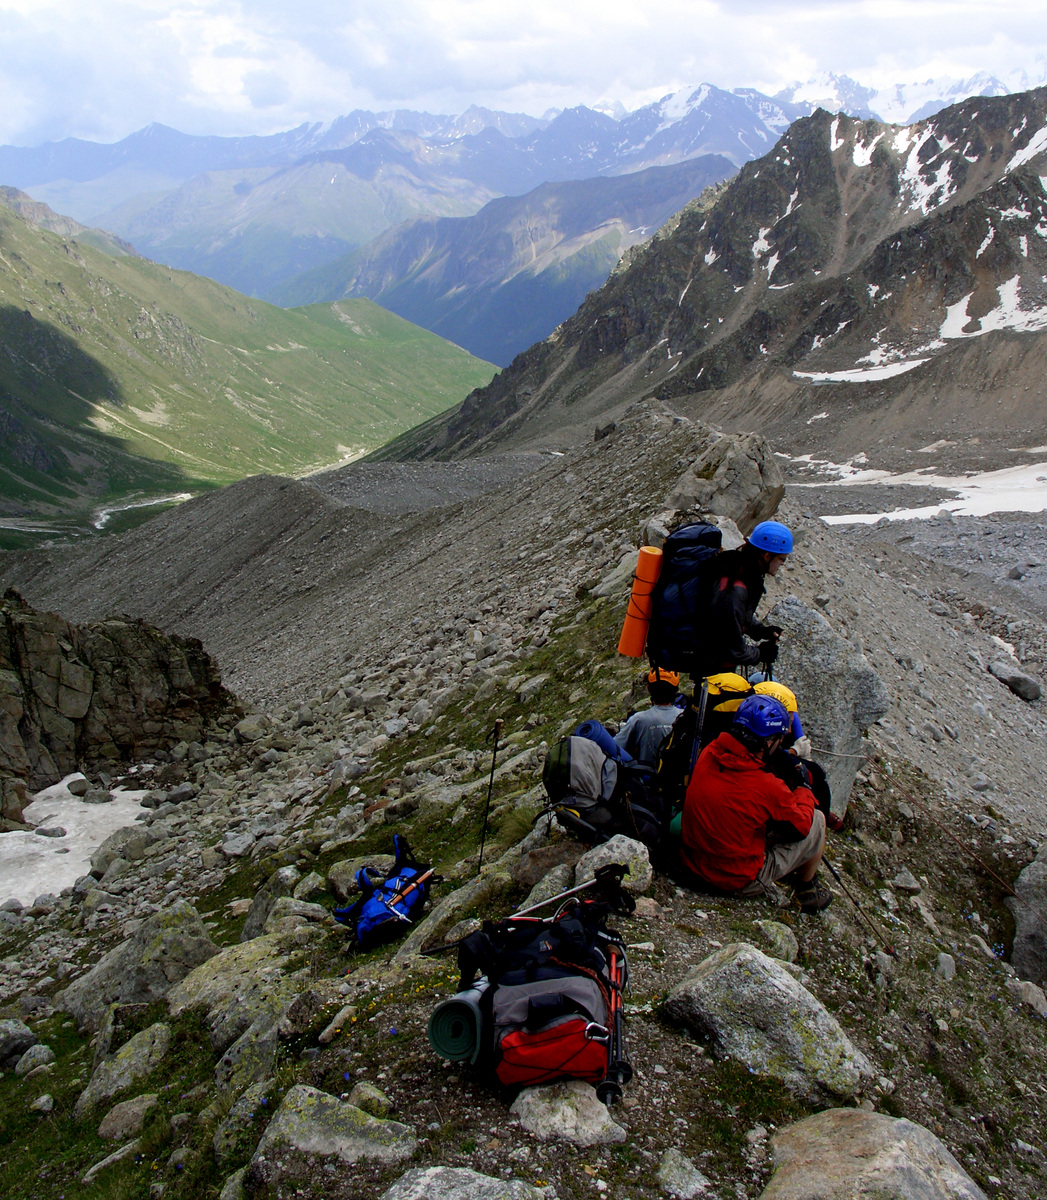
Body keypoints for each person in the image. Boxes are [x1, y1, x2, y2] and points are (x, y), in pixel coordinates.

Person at [679, 694, 832, 912]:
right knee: (816, 820)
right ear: (769, 742)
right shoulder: (766, 785)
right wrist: (804, 789)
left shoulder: (710, 751)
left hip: (693, 864)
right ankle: (806, 889)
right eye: (779, 738)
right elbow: (800, 827)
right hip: (737, 878)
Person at [700, 520, 793, 677]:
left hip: (714, 664)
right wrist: (760, 653)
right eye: (781, 559)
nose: (781, 565)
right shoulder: (735, 587)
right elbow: (731, 647)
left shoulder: (743, 573)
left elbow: (736, 616)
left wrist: (761, 631)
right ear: (767, 555)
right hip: (714, 668)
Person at [614, 668, 683, 766]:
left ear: (648, 688)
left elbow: (615, 747)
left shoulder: (639, 719)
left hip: (646, 778)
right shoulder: (686, 717)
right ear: (676, 690)